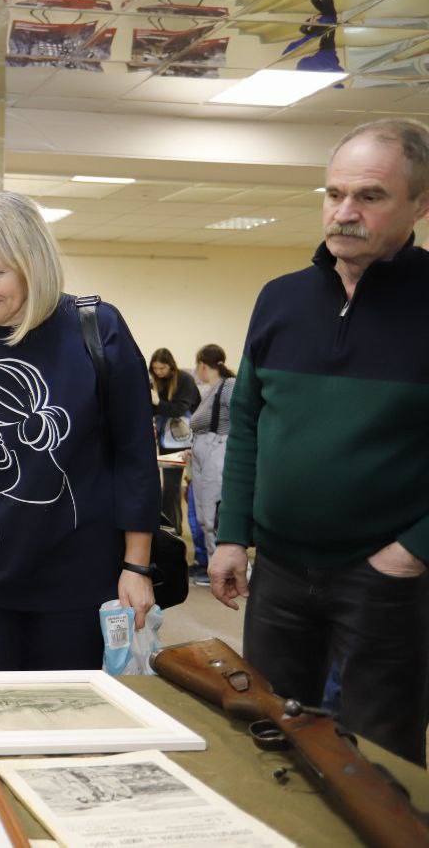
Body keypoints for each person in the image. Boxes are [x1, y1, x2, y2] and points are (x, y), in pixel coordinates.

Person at [211, 118, 429, 766]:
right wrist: (231, 534)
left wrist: (412, 553)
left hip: (384, 578)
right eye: (334, 194)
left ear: (420, 204)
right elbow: (247, 422)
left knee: (379, 760)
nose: (344, 211)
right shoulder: (281, 300)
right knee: (270, 735)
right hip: (279, 572)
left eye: (370, 196)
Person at [0, 191, 158, 672]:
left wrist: (137, 565)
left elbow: (134, 457)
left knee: (74, 713)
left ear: (33, 264)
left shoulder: (96, 329)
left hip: (81, 583)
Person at [186, 344, 235, 587]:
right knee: (204, 516)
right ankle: (212, 567)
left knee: (212, 516)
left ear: (203, 365)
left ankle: (223, 571)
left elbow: (240, 421)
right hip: (204, 454)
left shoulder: (229, 386)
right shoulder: (211, 390)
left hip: (218, 453)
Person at [149, 348, 200, 534]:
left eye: (162, 368)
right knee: (170, 487)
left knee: (173, 487)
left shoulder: (185, 380)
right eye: (155, 368)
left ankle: (173, 530)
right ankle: (171, 529)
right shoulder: (153, 381)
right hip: (165, 439)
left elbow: (178, 409)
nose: (158, 372)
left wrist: (157, 403)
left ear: (171, 366)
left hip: (183, 441)